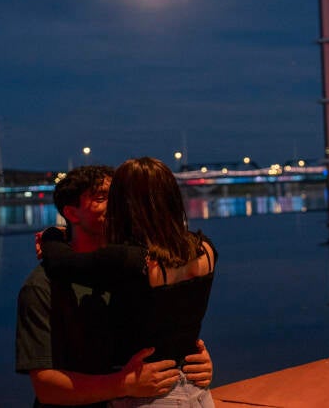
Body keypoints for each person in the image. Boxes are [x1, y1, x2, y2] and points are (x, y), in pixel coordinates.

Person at [16, 165, 213, 408]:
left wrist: (189, 361)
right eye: (102, 198)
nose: (117, 204)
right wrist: (123, 384)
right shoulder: (44, 286)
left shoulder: (138, 266)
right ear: (72, 213)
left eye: (118, 195)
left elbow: (163, 326)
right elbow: (46, 387)